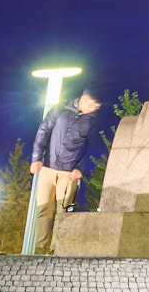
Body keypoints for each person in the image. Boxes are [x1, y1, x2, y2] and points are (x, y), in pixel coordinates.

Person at [30, 88, 103, 255]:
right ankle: (39, 250)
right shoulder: (60, 109)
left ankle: (57, 250)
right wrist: (36, 158)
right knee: (43, 210)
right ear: (83, 99)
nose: (94, 109)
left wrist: (80, 168)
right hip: (48, 168)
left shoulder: (91, 121)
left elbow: (92, 147)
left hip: (69, 173)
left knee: (63, 212)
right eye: (92, 105)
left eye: (96, 107)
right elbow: (43, 131)